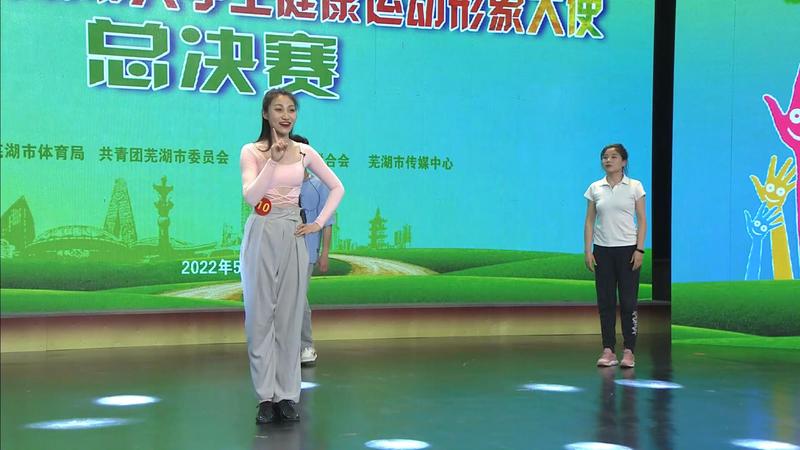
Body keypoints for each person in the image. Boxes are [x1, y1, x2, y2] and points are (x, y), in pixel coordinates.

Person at [239, 89, 344, 423]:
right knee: (260, 317)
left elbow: (338, 187)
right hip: (262, 230)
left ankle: (287, 395)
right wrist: (272, 161)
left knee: (289, 316)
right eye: (279, 109)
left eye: (291, 110)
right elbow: (251, 197)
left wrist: (317, 223)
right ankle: (265, 398)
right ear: (265, 114)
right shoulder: (252, 151)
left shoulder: (305, 153)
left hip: (293, 232)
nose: (286, 115)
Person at [583, 144, 647, 369]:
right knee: (606, 302)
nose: (608, 160)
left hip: (628, 250)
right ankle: (608, 350)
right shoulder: (595, 188)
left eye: (613, 156)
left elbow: (642, 219)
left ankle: (629, 351)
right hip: (602, 251)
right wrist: (588, 250)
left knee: (628, 302)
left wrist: (640, 250)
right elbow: (589, 221)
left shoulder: (635, 186)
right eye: (604, 157)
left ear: (624, 161)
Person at [292, 134, 334, 365]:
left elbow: (327, 223)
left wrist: (324, 253)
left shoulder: (319, 186)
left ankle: (306, 346)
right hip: (282, 251)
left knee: (298, 298)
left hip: (307, 252)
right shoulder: (280, 185)